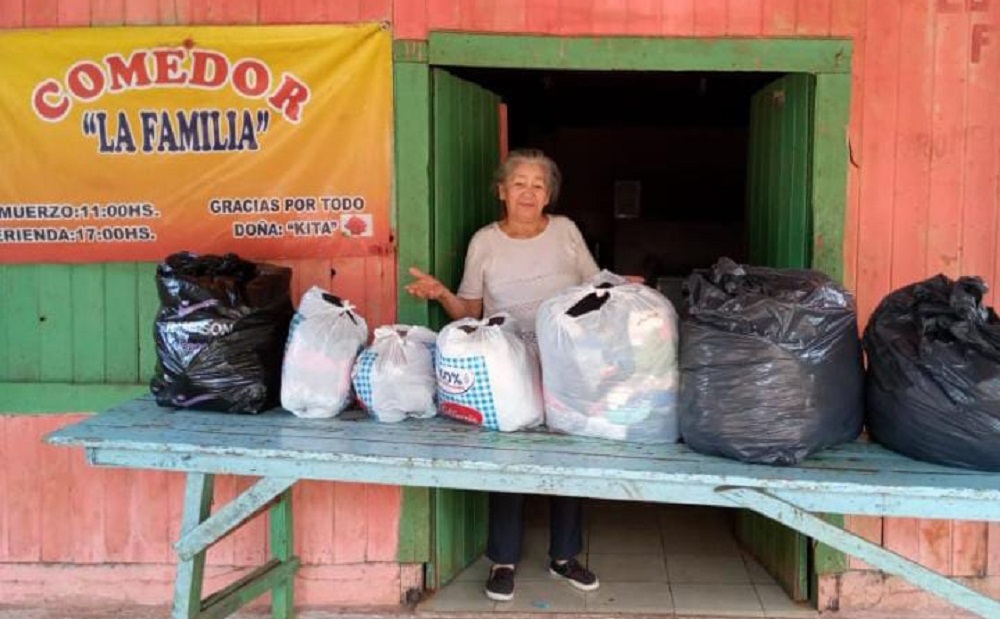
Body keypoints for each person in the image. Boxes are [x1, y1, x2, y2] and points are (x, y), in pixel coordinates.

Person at [405, 149, 601, 602]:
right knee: (507, 456)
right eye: (519, 183)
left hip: (562, 359)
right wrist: (441, 294)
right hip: (505, 363)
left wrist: (623, 288)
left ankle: (564, 555)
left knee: (566, 453)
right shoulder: (485, 242)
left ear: (548, 193)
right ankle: (504, 560)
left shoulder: (567, 231)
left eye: (538, 184)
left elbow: (596, 287)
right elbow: (470, 312)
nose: (528, 192)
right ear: (502, 191)